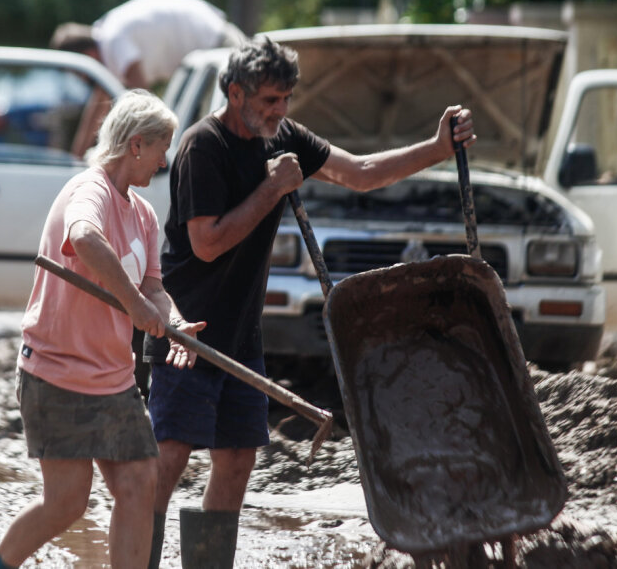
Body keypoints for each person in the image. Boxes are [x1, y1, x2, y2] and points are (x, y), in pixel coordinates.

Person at [142, 38, 476, 567]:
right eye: (270, 100)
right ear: (236, 93)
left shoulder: (282, 139)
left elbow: (360, 173)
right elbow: (206, 243)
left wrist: (437, 148)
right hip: (188, 331)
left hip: (241, 336)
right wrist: (272, 190)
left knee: (235, 464)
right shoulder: (202, 147)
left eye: (286, 100)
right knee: (171, 456)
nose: (281, 111)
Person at [0, 90, 205, 569]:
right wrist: (134, 304)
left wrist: (175, 321)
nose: (164, 161)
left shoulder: (143, 214)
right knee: (67, 503)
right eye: (162, 148)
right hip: (57, 374)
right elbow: (83, 238)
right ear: (136, 144)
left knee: (139, 481)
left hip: (113, 379)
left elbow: (153, 288)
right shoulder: (91, 190)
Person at [50, 0, 246, 91]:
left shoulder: (113, 41)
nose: (81, 79)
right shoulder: (107, 34)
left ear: (87, 56)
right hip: (214, 47)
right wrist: (79, 155)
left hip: (220, 48)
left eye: (77, 72)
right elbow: (101, 99)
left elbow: (142, 98)